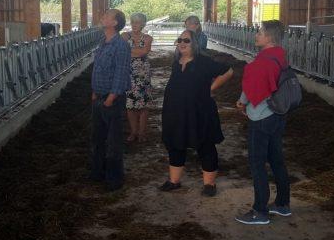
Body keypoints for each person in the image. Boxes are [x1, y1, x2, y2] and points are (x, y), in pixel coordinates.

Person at [160, 29, 233, 197]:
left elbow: (228, 71)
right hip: (175, 111)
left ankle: (209, 184)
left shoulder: (203, 62)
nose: (182, 43)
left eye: (186, 40)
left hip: (200, 111)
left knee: (205, 144)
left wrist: (211, 88)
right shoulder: (176, 62)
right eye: (180, 40)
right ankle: (174, 181)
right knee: (175, 143)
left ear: (195, 43)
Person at [234, 20, 292, 225]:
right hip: (278, 114)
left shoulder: (263, 61)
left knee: (257, 163)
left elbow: (251, 87)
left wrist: (242, 103)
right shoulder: (280, 56)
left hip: (261, 116)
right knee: (276, 159)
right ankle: (283, 204)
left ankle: (260, 211)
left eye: (260, 32)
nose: (256, 35)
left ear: (269, 37)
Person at [91, 9, 132, 191]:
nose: (103, 17)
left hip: (111, 99)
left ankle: (114, 179)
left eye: (107, 16)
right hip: (99, 96)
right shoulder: (103, 42)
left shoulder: (120, 45)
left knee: (113, 141)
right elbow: (98, 69)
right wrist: (94, 91)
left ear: (115, 23)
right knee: (98, 138)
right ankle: (98, 173)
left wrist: (111, 97)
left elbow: (121, 73)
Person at [121, 13, 153, 142]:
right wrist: (135, 51)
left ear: (143, 24)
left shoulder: (148, 38)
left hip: (142, 74)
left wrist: (129, 51)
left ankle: (141, 133)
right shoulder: (124, 35)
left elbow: (144, 52)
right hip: (128, 73)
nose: (135, 25)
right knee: (130, 104)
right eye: (133, 22)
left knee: (143, 104)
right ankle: (133, 132)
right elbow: (123, 51)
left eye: (138, 22)